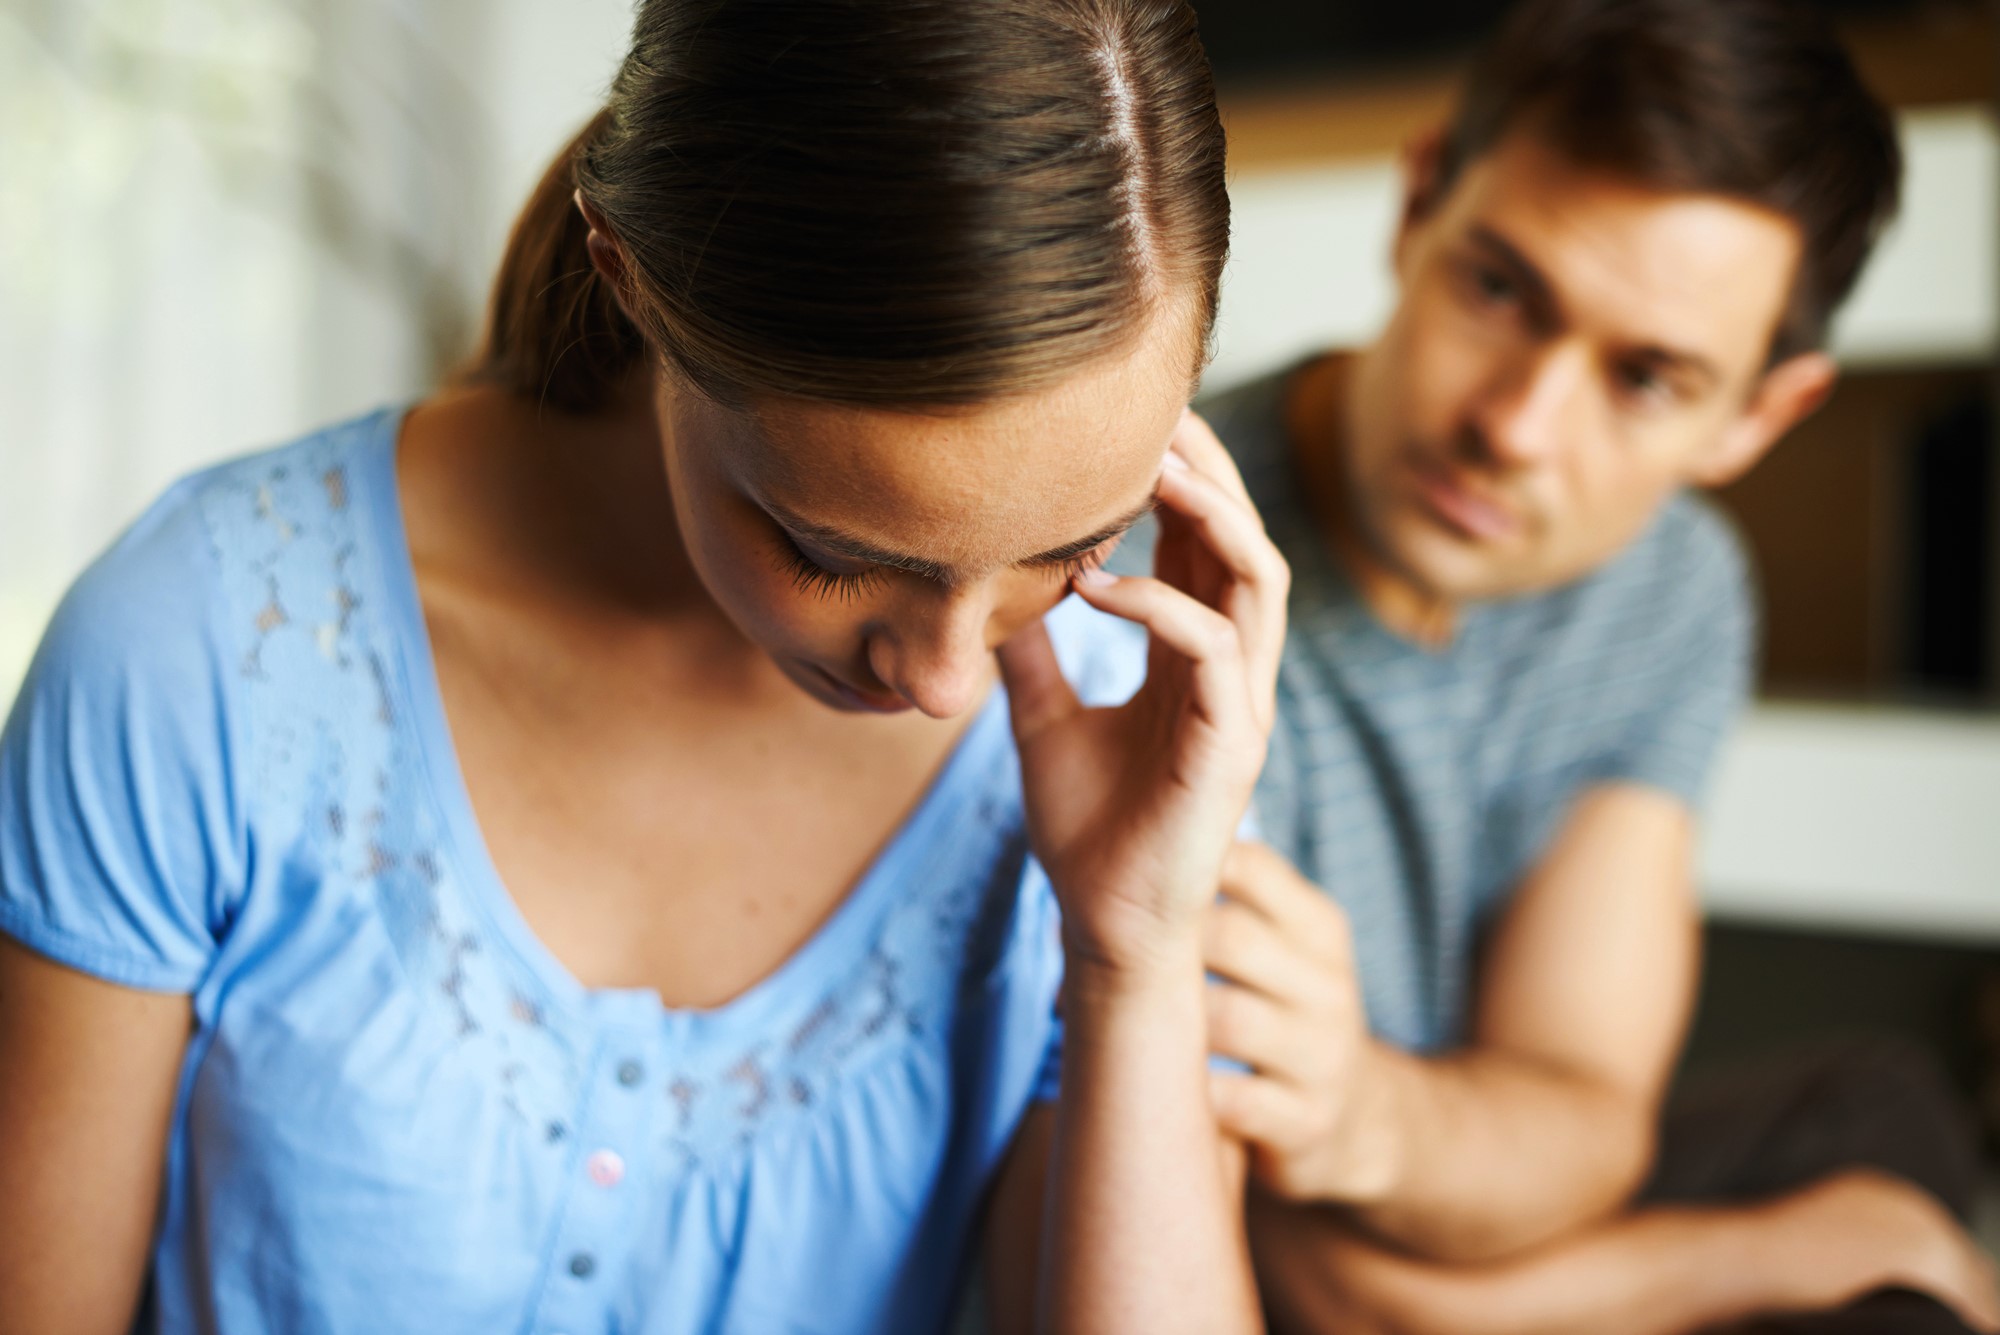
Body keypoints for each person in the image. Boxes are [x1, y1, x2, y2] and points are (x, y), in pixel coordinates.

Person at [0, 3, 1289, 1332]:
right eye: (834, 553)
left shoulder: (1127, 737)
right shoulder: (202, 650)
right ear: (628, 277)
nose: (950, 676)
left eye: (1066, 550)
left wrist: (1133, 958)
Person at [1127, 0, 2000, 1330]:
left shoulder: (1670, 587)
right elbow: (1322, 1295)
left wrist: (1366, 1105)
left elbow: (1582, 1112)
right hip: (1282, 1276)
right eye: (1500, 287)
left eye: (1646, 378)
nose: (1516, 428)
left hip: (1438, 1192)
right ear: (1420, 201)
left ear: (1757, 417)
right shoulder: (1166, 566)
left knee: (1876, 1106)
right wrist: (1779, 1255)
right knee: (1888, 1270)